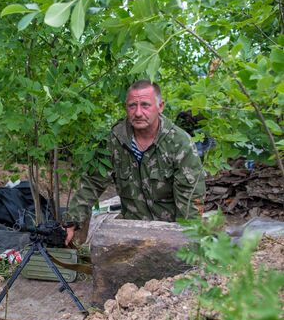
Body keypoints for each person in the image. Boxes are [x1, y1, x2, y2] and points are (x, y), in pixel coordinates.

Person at [65, 80, 206, 244]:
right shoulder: (114, 140)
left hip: (169, 234)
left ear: (160, 106)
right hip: (131, 232)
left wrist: (186, 244)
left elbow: (191, 201)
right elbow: (92, 182)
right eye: (132, 106)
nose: (138, 113)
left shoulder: (179, 144)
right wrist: (72, 221)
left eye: (145, 105)